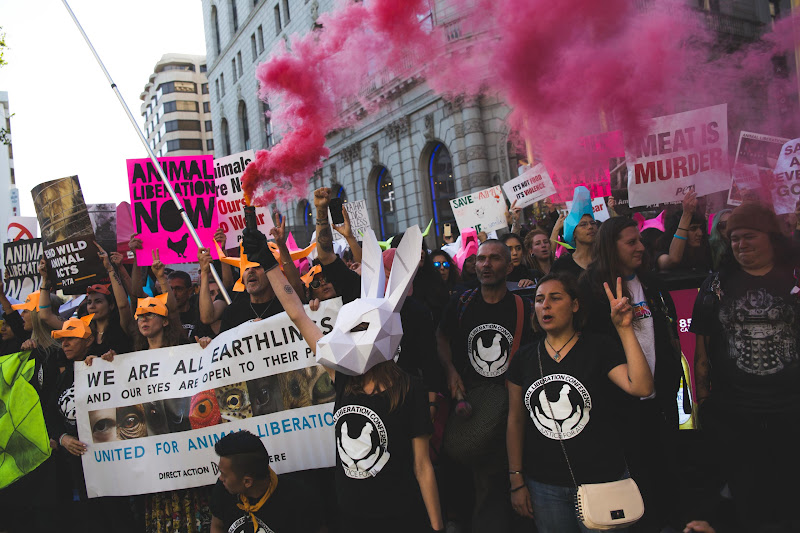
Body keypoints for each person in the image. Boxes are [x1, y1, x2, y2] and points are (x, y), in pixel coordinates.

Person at [240, 223, 444, 533]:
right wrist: (269, 263)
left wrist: (436, 526)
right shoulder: (343, 378)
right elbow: (296, 311)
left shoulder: (410, 389)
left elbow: (422, 466)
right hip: (351, 515)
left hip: (400, 515)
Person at [506, 271, 654, 532]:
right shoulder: (523, 358)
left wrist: (624, 328)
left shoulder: (599, 347)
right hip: (545, 486)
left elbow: (641, 386)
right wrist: (516, 480)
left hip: (602, 480)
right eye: (539, 300)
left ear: (575, 305)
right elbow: (516, 420)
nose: (545, 305)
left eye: (555, 298)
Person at [691, 202, 800, 532]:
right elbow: (702, 352)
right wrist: (704, 397)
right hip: (736, 416)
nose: (740, 245)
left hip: (792, 412)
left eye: (749, 237)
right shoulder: (716, 285)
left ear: (771, 238)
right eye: (734, 238)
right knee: (746, 500)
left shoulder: (795, 277)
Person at [579, 216, 683, 531]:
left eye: (639, 240)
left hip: (658, 403)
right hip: (617, 408)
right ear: (611, 247)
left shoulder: (651, 283)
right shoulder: (590, 289)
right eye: (631, 242)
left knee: (662, 471)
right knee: (630, 482)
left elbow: (667, 336)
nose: (640, 247)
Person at [437, 239, 535, 532]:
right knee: (482, 484)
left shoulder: (522, 307)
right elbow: (440, 337)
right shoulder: (463, 301)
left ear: (509, 266)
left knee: (502, 484)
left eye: (494, 259)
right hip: (473, 407)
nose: (486, 265)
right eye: (480, 259)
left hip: (512, 410)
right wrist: (450, 370)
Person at [210, 431, 325, 533]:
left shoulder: (299, 499)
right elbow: (217, 525)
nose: (221, 478)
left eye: (224, 474)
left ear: (247, 482)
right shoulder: (223, 489)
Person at [656, 191, 712, 273]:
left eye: (701, 228)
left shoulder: (706, 251)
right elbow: (673, 259)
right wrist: (687, 214)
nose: (700, 233)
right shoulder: (661, 255)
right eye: (693, 229)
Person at [552, 188, 597, 277]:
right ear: (573, 233)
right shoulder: (562, 265)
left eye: (592, 223)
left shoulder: (606, 262)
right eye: (583, 224)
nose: (590, 227)